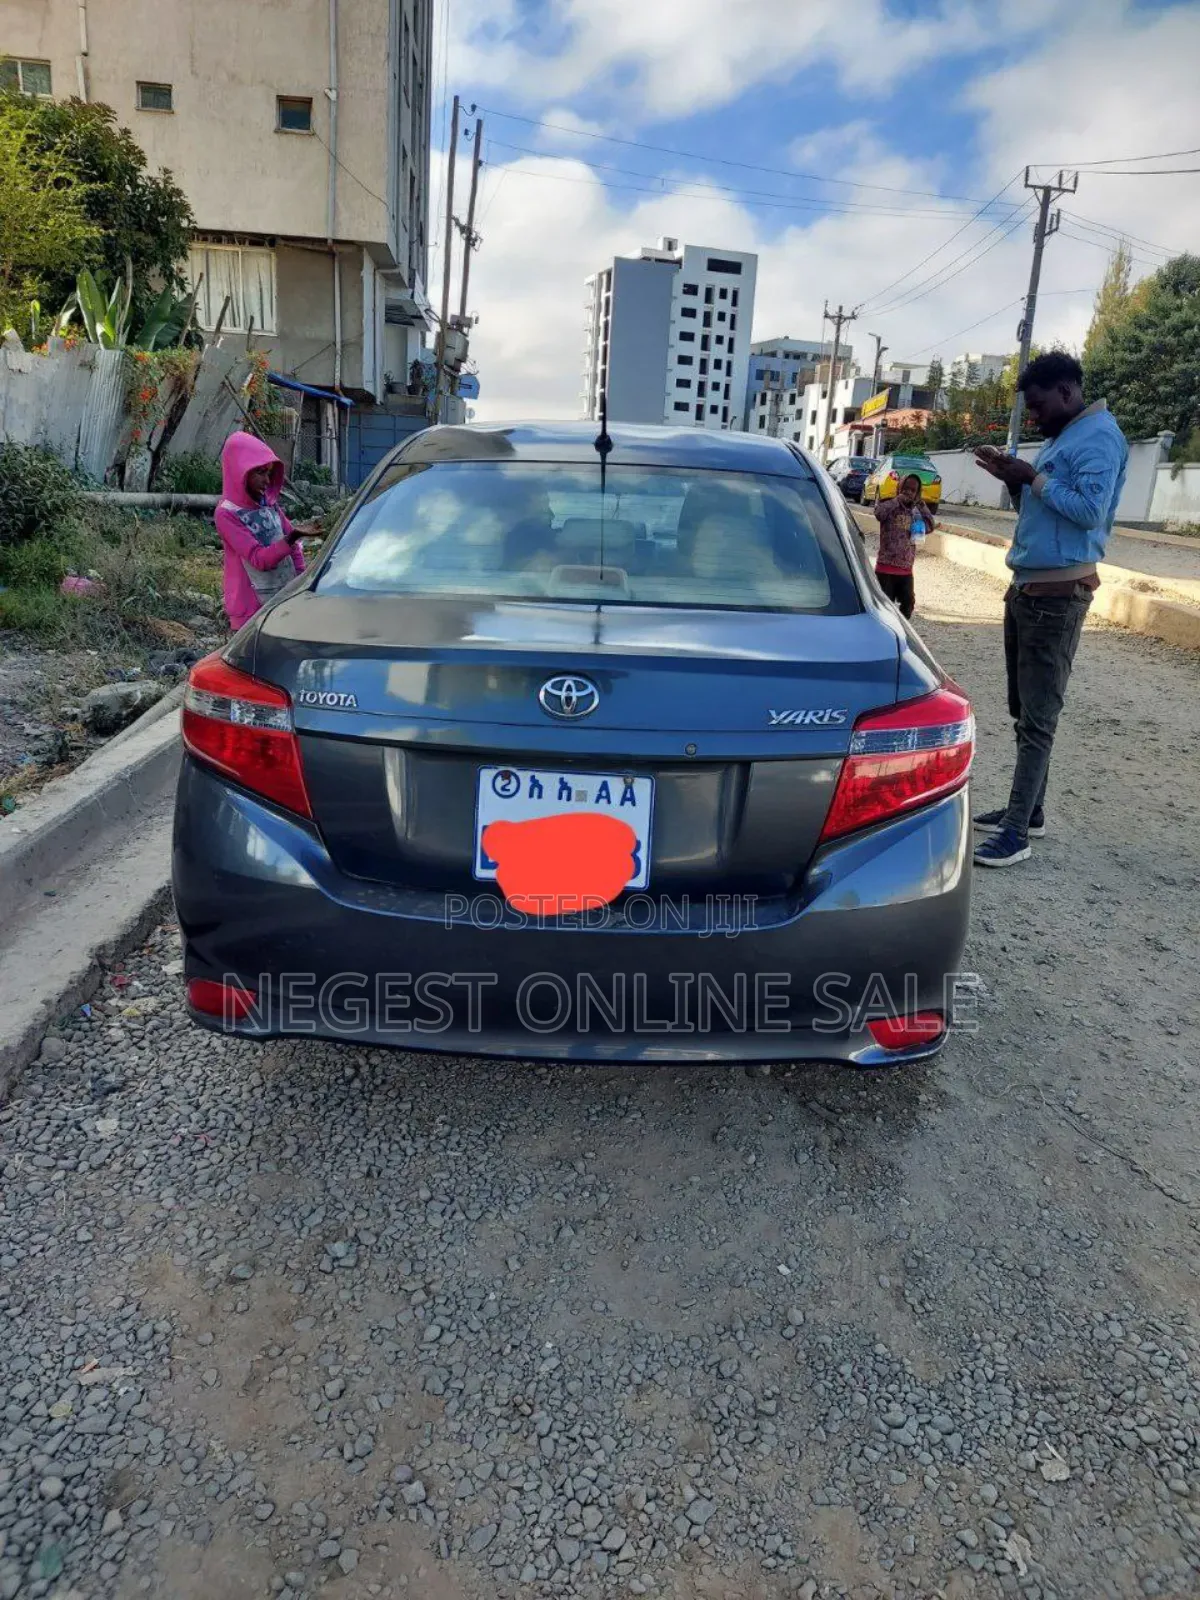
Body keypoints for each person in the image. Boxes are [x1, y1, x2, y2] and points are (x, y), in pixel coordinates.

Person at [971, 351, 1128, 869]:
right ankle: (1028, 809)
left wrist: (1033, 477)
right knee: (1023, 711)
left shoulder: (1100, 437)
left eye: (1037, 406)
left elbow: (1089, 513)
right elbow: (1043, 512)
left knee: (1038, 719)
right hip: (1027, 589)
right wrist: (1017, 480)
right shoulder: (1065, 438)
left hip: (1058, 596)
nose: (1034, 417)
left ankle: (1016, 832)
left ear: (1066, 391)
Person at [215, 432, 315, 632]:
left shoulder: (268, 505)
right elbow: (259, 559)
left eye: (269, 473)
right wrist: (293, 536)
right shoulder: (227, 514)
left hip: (279, 599)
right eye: (260, 472)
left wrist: (302, 582)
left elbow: (293, 546)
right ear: (239, 472)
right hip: (250, 609)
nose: (267, 480)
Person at [872, 473, 931, 619]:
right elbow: (879, 513)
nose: (908, 492)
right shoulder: (889, 504)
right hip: (885, 569)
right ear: (899, 487)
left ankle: (901, 632)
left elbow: (929, 526)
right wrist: (897, 500)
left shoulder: (916, 511)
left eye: (913, 490)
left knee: (908, 605)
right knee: (884, 609)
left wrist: (922, 506)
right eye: (906, 488)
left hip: (905, 570)